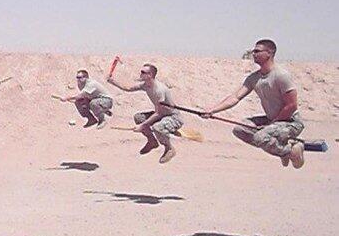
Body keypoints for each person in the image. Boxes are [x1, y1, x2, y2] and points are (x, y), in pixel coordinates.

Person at [202, 39, 305, 168]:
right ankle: (283, 150)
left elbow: (291, 106)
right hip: (271, 120)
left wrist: (272, 124)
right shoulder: (254, 78)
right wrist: (212, 110)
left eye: (257, 51)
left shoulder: (281, 75)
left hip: (291, 122)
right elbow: (235, 97)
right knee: (240, 130)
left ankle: (291, 152)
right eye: (253, 51)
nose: (253, 54)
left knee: (260, 137)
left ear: (269, 53)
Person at [107, 63, 182, 163]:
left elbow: (158, 113)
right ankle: (152, 141)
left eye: (143, 72)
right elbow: (128, 88)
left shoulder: (159, 90)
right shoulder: (146, 85)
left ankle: (169, 148)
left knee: (157, 128)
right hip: (162, 115)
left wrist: (142, 126)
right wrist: (113, 82)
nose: (140, 73)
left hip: (172, 117)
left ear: (150, 75)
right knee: (139, 118)